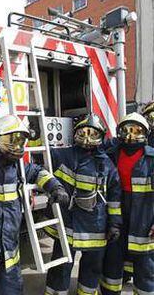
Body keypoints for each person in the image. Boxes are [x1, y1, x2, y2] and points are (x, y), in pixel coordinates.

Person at [0, 114, 69, 295]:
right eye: (11, 140)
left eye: (20, 141)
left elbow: (39, 172)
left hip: (10, 255)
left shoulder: (19, 167)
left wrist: (56, 187)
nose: (16, 147)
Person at [44, 113, 122, 295]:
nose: (87, 138)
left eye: (93, 134)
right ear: (75, 133)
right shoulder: (61, 155)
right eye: (83, 132)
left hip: (96, 229)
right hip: (68, 228)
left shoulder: (108, 166)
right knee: (61, 267)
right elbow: (41, 162)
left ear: (101, 137)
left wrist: (114, 224)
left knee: (92, 269)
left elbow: (114, 199)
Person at [100, 113, 154, 295]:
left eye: (136, 130)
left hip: (145, 217)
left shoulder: (152, 159)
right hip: (117, 213)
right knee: (112, 260)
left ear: (145, 133)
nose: (131, 135)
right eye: (126, 130)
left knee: (145, 265)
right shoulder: (110, 155)